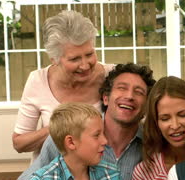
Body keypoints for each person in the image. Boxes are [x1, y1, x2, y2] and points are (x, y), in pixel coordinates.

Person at [11, 63, 155, 180]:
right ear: (105, 98)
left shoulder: (154, 145)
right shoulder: (69, 136)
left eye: (139, 92)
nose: (129, 96)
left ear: (147, 105)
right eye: (122, 88)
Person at [12, 10, 114, 158]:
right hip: (50, 176)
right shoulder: (38, 80)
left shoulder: (114, 77)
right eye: (74, 59)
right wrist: (61, 127)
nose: (85, 65)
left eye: (89, 54)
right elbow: (19, 143)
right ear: (54, 59)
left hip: (104, 174)